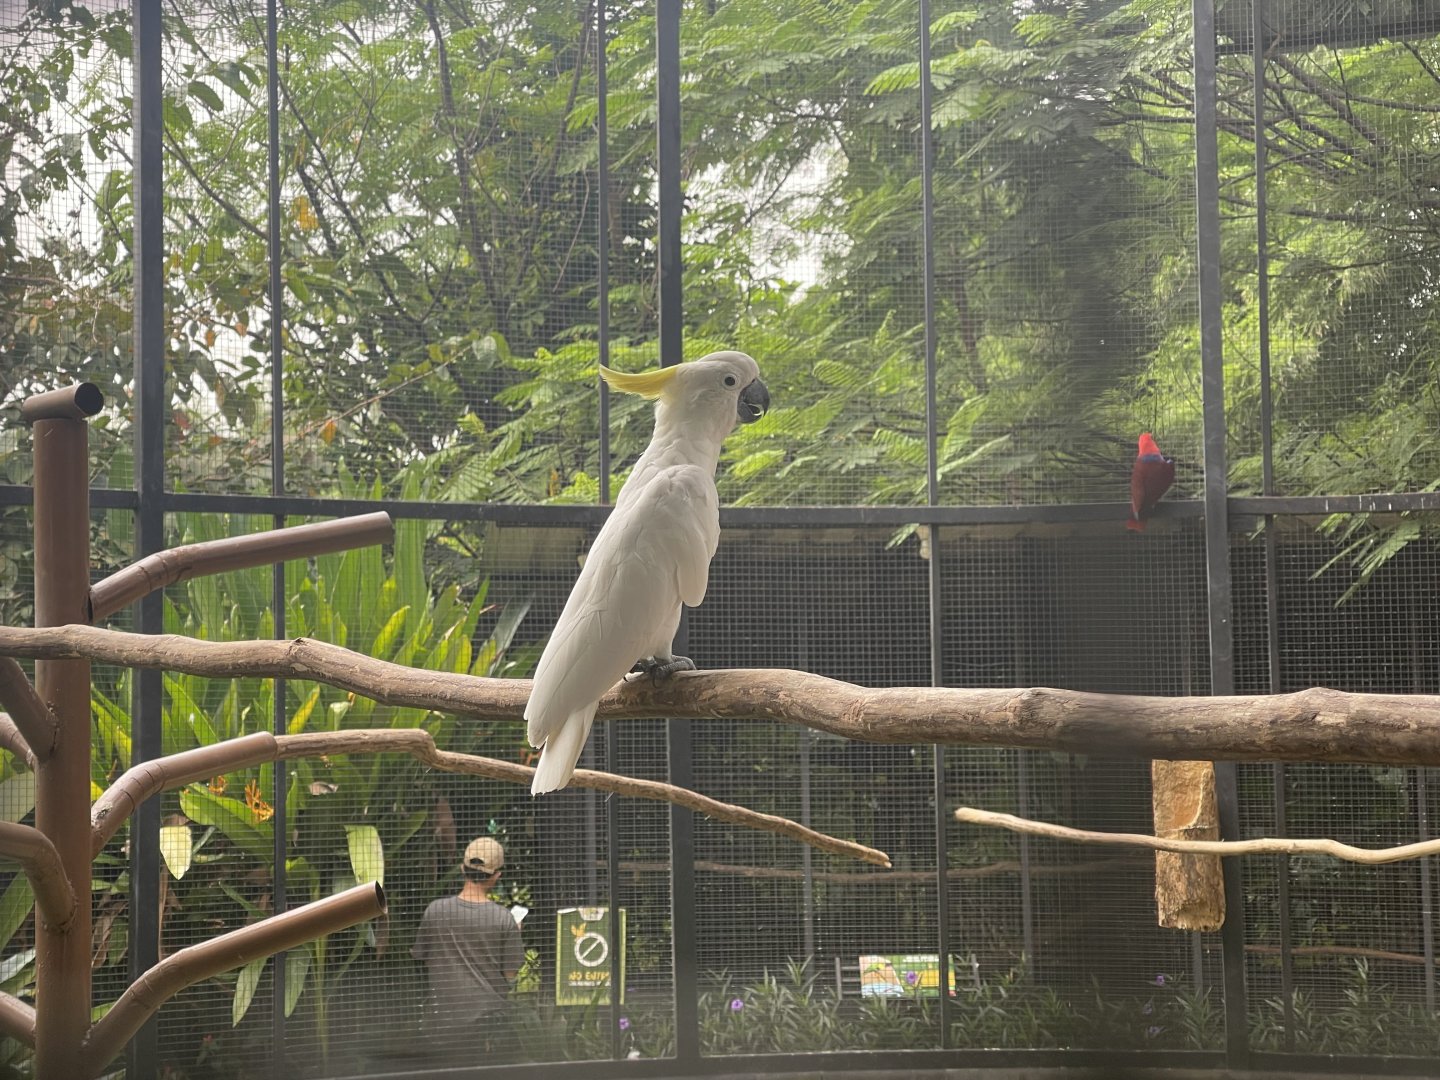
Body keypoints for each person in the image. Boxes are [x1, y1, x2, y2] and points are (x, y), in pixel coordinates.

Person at [412, 837, 524, 1060]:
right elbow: (510, 975)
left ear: (463, 869)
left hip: (441, 1023)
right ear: (496, 876)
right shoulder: (503, 918)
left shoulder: (435, 911)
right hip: (487, 1029)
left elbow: (422, 958)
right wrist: (515, 933)